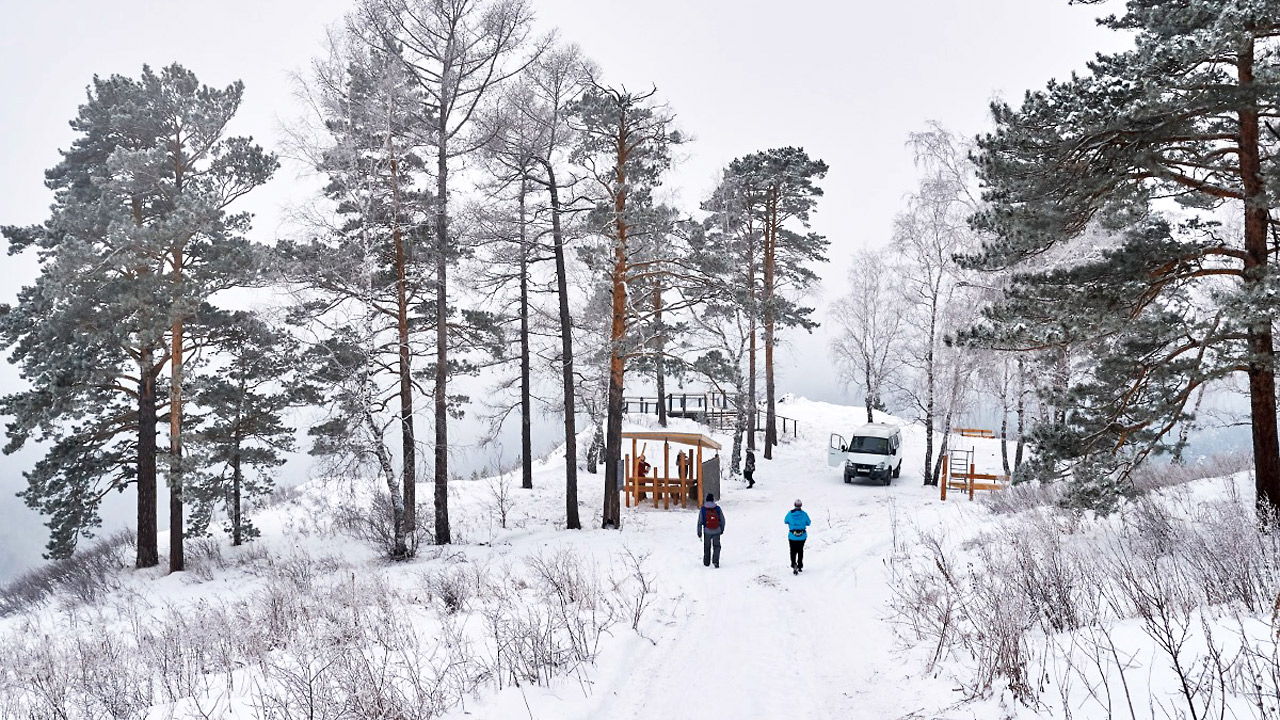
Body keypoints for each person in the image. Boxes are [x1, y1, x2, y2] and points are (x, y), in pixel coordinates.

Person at [697, 493, 726, 568]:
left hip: (707, 531)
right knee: (717, 546)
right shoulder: (717, 508)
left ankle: (706, 562)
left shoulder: (703, 509)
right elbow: (722, 520)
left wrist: (699, 532)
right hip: (717, 530)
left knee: (707, 546)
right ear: (713, 500)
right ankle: (715, 561)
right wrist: (721, 529)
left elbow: (700, 522)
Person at [785, 499, 811, 575]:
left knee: (792, 551)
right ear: (801, 505)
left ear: (794, 505)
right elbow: (808, 523)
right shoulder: (804, 514)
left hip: (792, 536)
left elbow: (785, 521)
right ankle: (800, 565)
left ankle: (794, 564)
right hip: (802, 536)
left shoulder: (790, 514)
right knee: (800, 550)